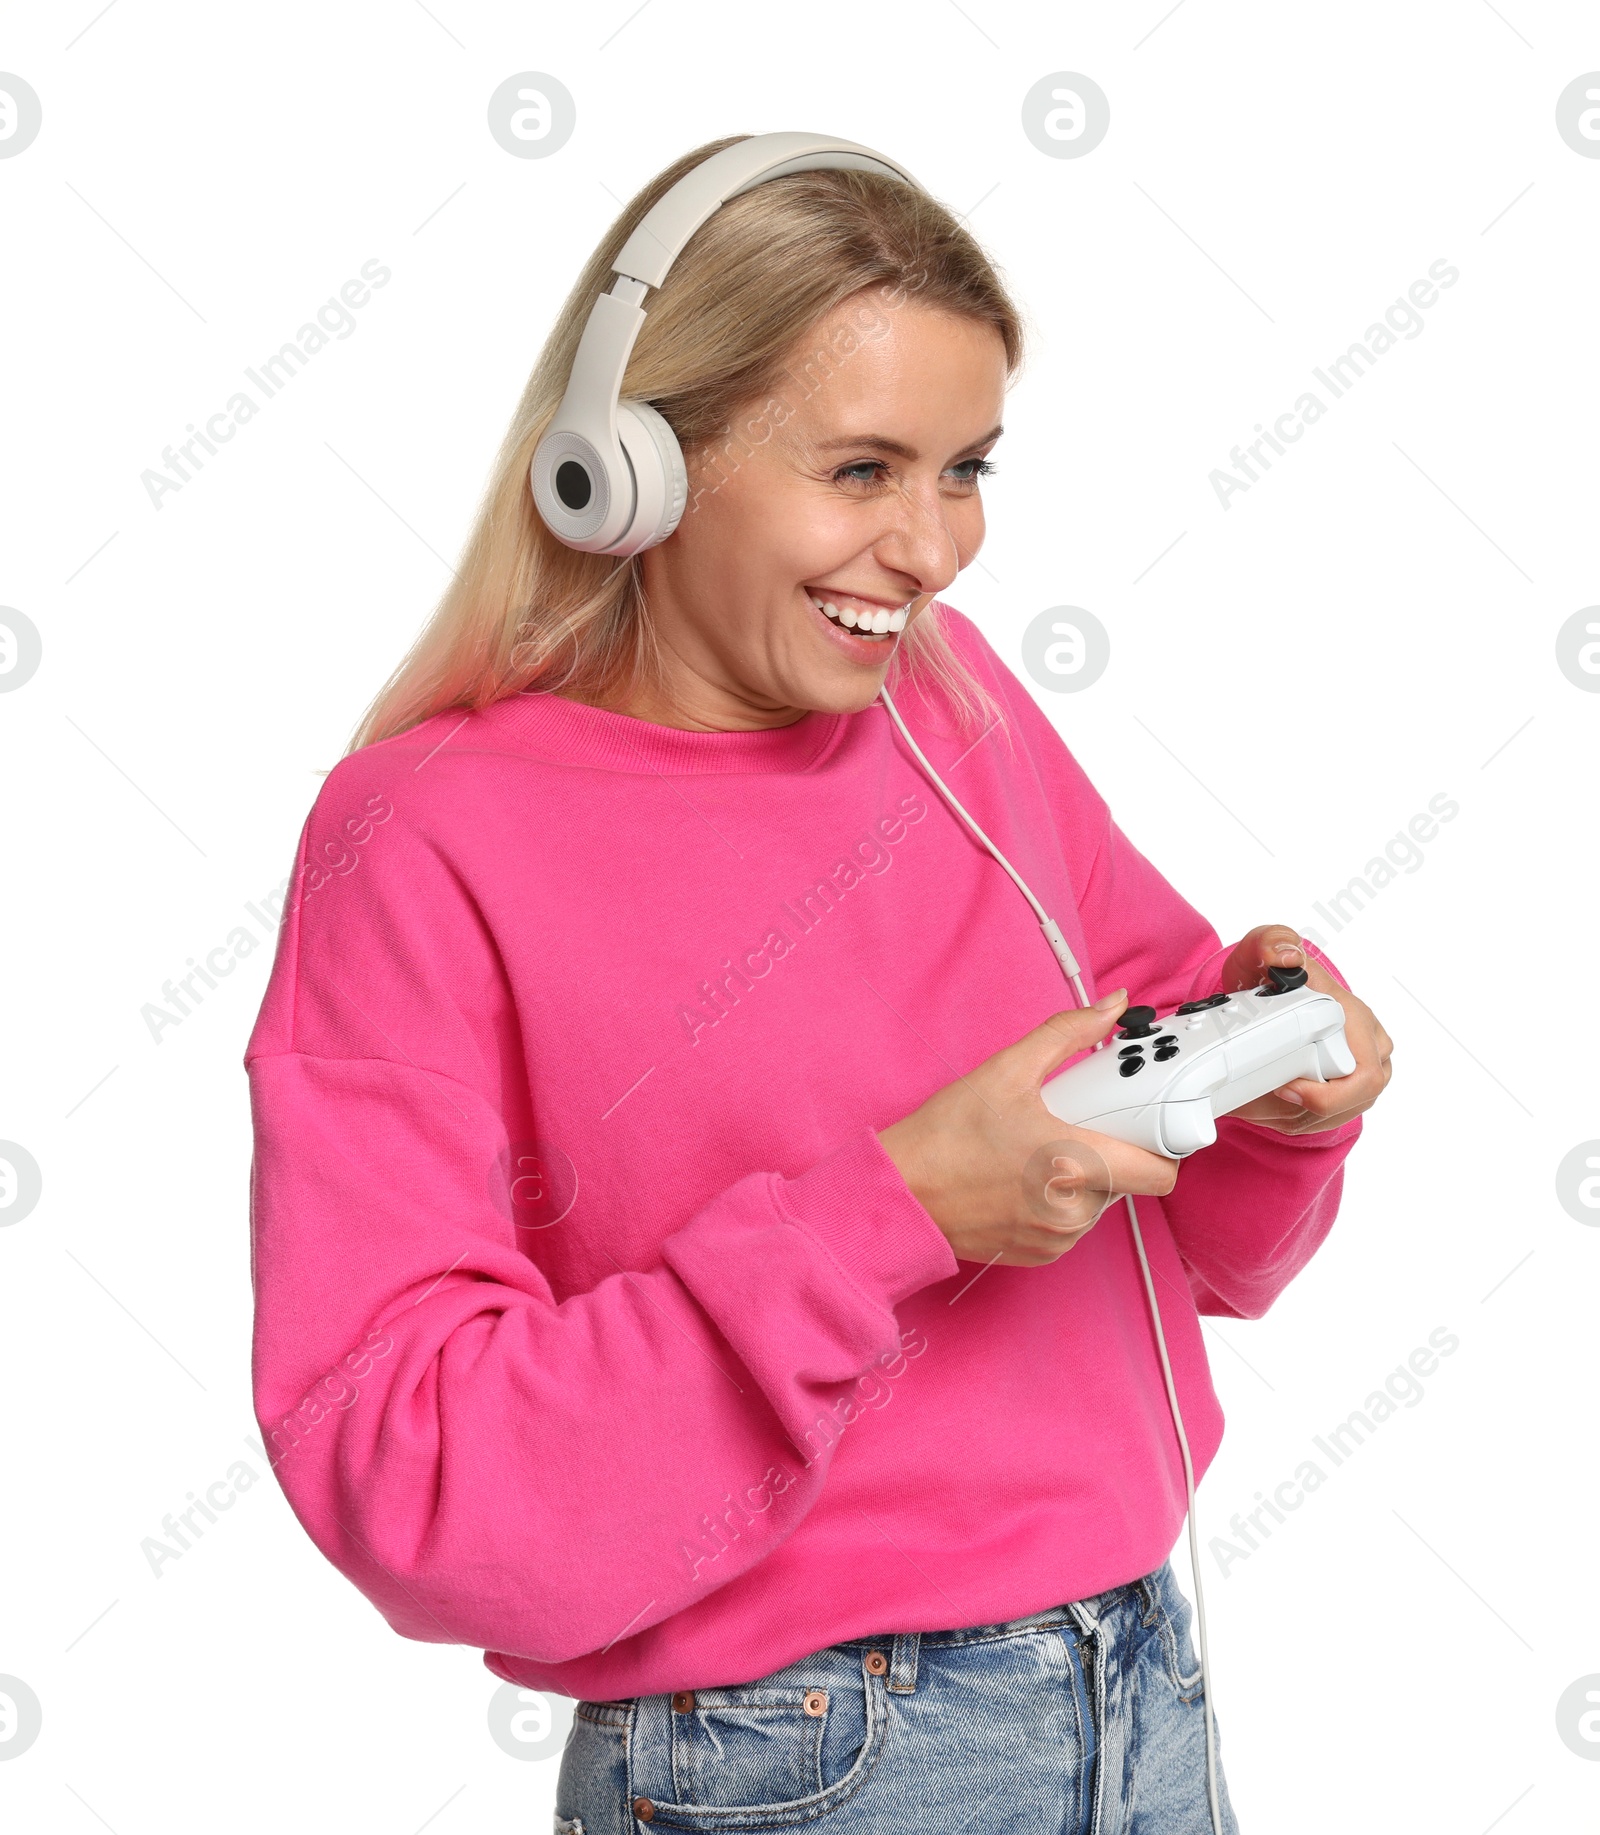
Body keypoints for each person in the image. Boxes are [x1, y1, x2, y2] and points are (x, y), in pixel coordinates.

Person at [243, 134, 1392, 1834]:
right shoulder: (423, 836)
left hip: (1143, 1690)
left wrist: (1281, 1097)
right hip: (802, 1761)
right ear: (627, 467)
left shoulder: (956, 711)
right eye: (861, 470)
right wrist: (898, 1209)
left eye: (966, 468)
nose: (933, 551)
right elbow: (406, 1471)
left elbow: (1199, 1255)